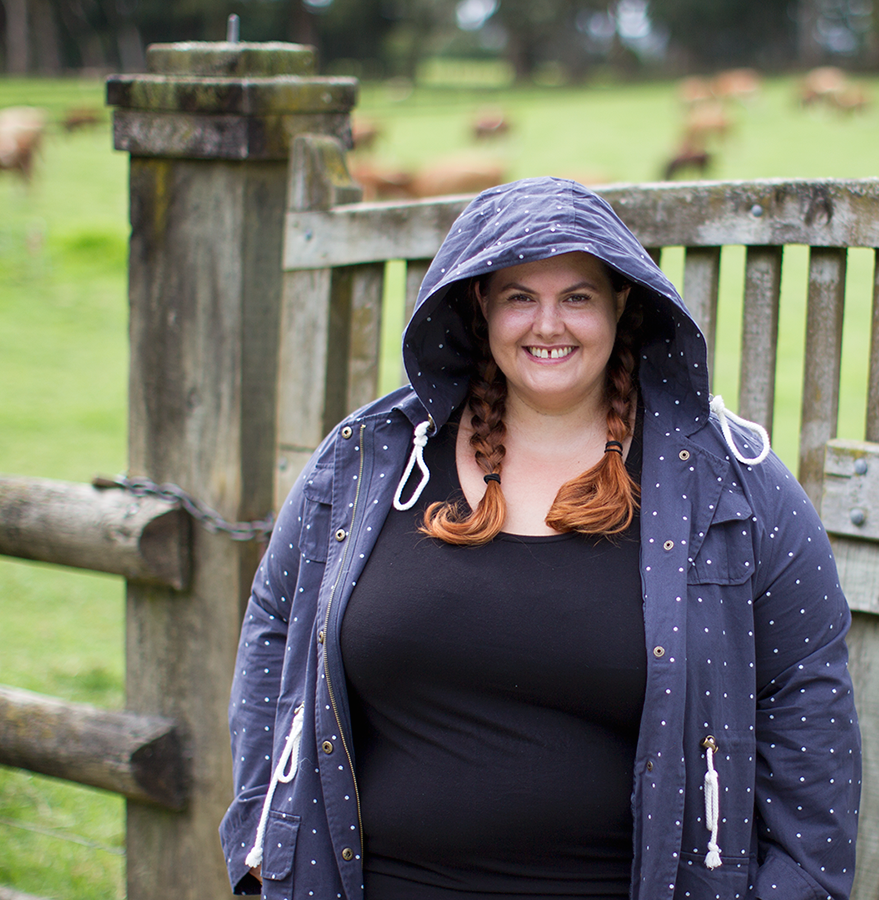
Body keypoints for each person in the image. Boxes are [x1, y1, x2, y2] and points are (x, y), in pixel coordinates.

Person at [219, 177, 861, 900]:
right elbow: (277, 625)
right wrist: (259, 839)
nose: (547, 324)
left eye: (578, 297)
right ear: (479, 306)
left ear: (623, 302)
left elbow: (806, 697)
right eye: (520, 295)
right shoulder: (369, 459)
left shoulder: (730, 486)